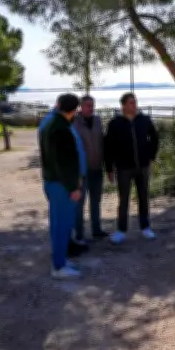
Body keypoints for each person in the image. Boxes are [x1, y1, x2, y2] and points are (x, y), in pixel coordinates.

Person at [104, 93, 160, 244]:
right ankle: (121, 230)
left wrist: (151, 156)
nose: (134, 105)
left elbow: (154, 138)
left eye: (135, 102)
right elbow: (108, 147)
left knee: (143, 198)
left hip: (143, 166)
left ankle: (145, 227)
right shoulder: (115, 123)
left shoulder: (145, 120)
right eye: (131, 103)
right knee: (124, 200)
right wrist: (109, 168)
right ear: (123, 106)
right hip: (123, 168)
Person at [40, 93, 84, 279]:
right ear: (74, 110)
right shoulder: (62, 129)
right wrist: (74, 187)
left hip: (52, 181)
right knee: (62, 226)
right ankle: (58, 266)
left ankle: (60, 260)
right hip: (61, 185)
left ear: (58, 105)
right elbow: (65, 162)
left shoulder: (48, 124)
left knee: (57, 224)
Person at [73, 95, 108, 242]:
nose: (91, 108)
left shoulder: (98, 121)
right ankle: (79, 233)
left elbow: (103, 142)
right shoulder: (74, 122)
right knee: (79, 204)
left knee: (96, 201)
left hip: (97, 168)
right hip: (82, 171)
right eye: (88, 105)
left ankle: (96, 229)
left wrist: (108, 166)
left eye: (92, 105)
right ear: (81, 106)